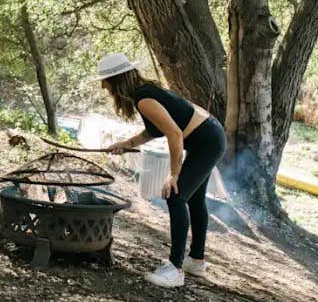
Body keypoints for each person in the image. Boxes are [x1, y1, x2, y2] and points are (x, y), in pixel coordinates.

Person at [95, 53, 225, 288]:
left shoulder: (144, 99)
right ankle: (196, 260)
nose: (103, 86)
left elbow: (174, 133)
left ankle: (175, 269)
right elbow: (155, 131)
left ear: (116, 80)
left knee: (175, 195)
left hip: (207, 142)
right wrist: (125, 145)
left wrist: (173, 175)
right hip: (208, 137)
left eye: (105, 81)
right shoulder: (145, 93)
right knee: (194, 200)